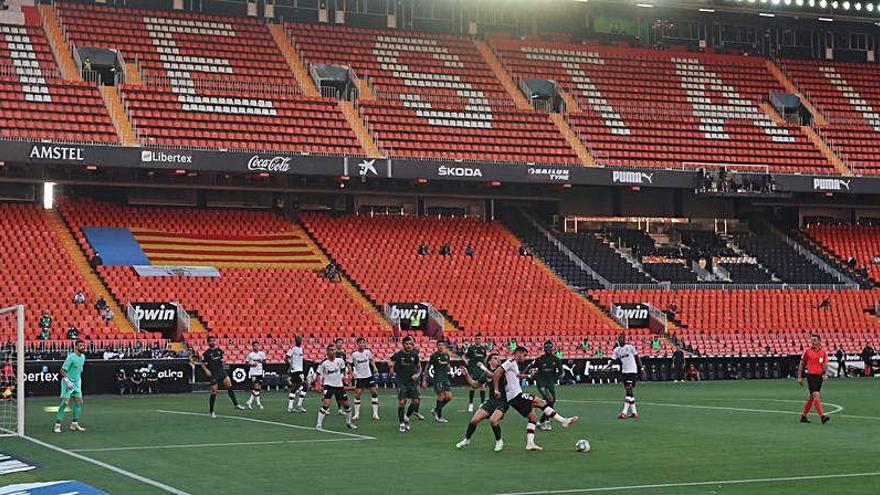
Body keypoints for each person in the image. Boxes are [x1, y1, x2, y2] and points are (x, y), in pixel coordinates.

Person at [495, 346, 578, 451]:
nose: (524, 358)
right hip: (515, 395)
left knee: (533, 417)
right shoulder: (510, 361)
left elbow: (518, 376)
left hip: (513, 396)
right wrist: (496, 390)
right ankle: (563, 421)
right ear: (519, 353)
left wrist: (529, 376)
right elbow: (497, 373)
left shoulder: (513, 364)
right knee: (540, 401)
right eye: (524, 355)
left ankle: (530, 443)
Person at [456, 354, 506, 451]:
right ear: (489, 361)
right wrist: (466, 374)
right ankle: (467, 439)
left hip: (502, 401)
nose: (498, 360)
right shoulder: (486, 374)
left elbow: (495, 375)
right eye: (495, 358)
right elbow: (474, 385)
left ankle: (499, 441)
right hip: (491, 401)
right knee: (474, 420)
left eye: (498, 358)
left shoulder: (502, 370)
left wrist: (482, 367)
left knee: (493, 421)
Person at [198, 335, 246, 418]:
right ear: (208, 342)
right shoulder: (206, 353)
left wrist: (223, 363)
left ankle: (236, 404)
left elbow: (221, 360)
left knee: (229, 387)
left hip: (222, 372)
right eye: (211, 341)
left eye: (214, 340)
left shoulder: (219, 350)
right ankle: (211, 411)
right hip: (213, 374)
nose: (213, 342)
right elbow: (202, 363)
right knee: (214, 391)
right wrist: (206, 370)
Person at [315, 344, 356, 430]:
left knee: (347, 405)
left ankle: (349, 423)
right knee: (326, 404)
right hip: (328, 385)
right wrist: (318, 385)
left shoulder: (340, 361)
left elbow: (344, 369)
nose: (332, 351)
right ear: (327, 352)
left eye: (333, 350)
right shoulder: (324, 363)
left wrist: (345, 378)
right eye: (330, 350)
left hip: (339, 386)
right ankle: (318, 425)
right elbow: (318, 374)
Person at [528, 340, 565, 431]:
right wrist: (529, 372)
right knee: (550, 399)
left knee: (551, 402)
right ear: (544, 348)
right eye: (547, 347)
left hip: (550, 383)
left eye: (550, 347)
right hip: (541, 383)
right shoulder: (539, 359)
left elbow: (561, 372)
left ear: (553, 348)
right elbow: (530, 367)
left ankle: (542, 420)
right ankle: (546, 421)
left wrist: (560, 376)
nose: (549, 348)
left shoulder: (556, 359)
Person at [53, 339, 87, 433]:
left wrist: (78, 381)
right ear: (75, 347)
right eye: (80, 345)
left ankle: (74, 424)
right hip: (67, 382)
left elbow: (79, 371)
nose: (82, 347)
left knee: (79, 402)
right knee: (65, 402)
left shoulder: (83, 357)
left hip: (76, 383)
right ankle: (57, 425)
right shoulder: (71, 357)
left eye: (83, 345)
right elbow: (62, 370)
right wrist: (67, 381)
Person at [390, 336, 422, 432]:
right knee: (402, 402)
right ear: (403, 344)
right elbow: (390, 360)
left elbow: (419, 366)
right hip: (401, 381)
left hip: (412, 381)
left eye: (410, 344)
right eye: (407, 344)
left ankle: (407, 417)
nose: (408, 345)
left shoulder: (414, 354)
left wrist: (417, 374)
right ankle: (402, 423)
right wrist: (391, 368)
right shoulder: (398, 354)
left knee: (415, 402)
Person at [610, 333, 643, 419]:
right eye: (619, 338)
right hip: (624, 372)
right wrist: (607, 367)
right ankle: (634, 413)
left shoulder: (630, 347)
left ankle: (624, 413)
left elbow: (637, 358)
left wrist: (641, 369)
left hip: (632, 372)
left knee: (629, 390)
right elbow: (612, 360)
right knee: (629, 393)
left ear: (625, 339)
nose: (621, 340)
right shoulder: (617, 350)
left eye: (622, 338)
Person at [798, 334, 830, 424]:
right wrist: (799, 377)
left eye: (815, 340)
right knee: (816, 395)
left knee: (811, 397)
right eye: (812, 340)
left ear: (819, 341)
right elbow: (802, 364)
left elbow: (824, 364)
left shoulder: (823, 352)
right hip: (811, 376)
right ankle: (822, 417)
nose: (813, 342)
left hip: (819, 377)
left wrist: (825, 373)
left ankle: (803, 416)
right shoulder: (807, 351)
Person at [349, 337, 380, 422]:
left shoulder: (367, 352)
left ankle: (375, 414)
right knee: (358, 394)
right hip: (360, 377)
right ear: (357, 344)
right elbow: (349, 363)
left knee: (374, 392)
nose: (363, 344)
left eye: (364, 343)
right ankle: (356, 414)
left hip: (368, 376)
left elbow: (371, 360)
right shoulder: (354, 354)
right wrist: (351, 373)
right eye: (361, 343)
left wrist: (374, 367)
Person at [428, 340, 453, 423]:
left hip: (445, 378)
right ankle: (439, 416)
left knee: (449, 397)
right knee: (441, 396)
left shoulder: (446, 355)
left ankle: (436, 410)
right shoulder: (434, 356)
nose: (440, 346)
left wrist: (451, 371)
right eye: (439, 345)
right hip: (437, 378)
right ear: (436, 346)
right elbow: (428, 366)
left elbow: (448, 365)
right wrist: (425, 378)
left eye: (442, 345)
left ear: (445, 346)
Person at [464, 333, 489, 413]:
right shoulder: (471, 348)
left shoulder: (483, 348)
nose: (478, 340)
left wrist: (485, 368)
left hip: (481, 370)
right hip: (473, 369)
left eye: (479, 339)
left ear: (481, 340)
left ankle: (482, 404)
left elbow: (485, 358)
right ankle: (471, 404)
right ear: (474, 340)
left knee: (483, 386)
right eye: (476, 339)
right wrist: (466, 361)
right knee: (472, 386)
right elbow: (465, 356)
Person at [286, 335, 307, 413]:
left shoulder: (301, 349)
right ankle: (299, 405)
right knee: (305, 385)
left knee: (295, 387)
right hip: (296, 370)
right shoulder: (293, 348)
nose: (300, 341)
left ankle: (290, 407)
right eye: (299, 340)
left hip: (299, 370)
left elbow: (299, 359)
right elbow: (287, 357)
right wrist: (291, 365)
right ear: (296, 341)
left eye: (301, 339)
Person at [245, 341, 266, 410]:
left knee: (258, 389)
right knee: (256, 388)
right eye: (254, 346)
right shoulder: (250, 354)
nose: (256, 347)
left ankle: (250, 402)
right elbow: (246, 363)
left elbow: (265, 362)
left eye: (257, 345)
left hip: (260, 372)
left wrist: (260, 361)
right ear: (252, 346)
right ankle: (258, 404)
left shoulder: (262, 354)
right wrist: (252, 364)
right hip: (253, 373)